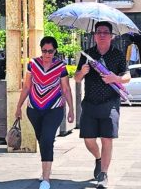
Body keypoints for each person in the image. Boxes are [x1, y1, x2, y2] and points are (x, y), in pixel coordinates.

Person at [74, 21, 131, 188]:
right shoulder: (87, 55)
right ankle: (98, 158)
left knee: (107, 139)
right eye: (99, 32)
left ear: (111, 36)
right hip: (90, 103)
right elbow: (76, 78)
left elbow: (127, 76)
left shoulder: (118, 54)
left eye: (106, 32)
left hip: (110, 103)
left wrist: (116, 78)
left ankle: (104, 174)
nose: (102, 35)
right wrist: (81, 72)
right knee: (88, 140)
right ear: (95, 35)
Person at [15, 36, 74, 189]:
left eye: (50, 51)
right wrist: (18, 107)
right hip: (34, 110)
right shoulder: (33, 64)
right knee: (42, 140)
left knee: (47, 139)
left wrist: (71, 109)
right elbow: (27, 87)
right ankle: (45, 170)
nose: (47, 54)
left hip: (54, 109)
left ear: (55, 51)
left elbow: (66, 89)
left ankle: (46, 179)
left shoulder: (60, 66)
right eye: (44, 51)